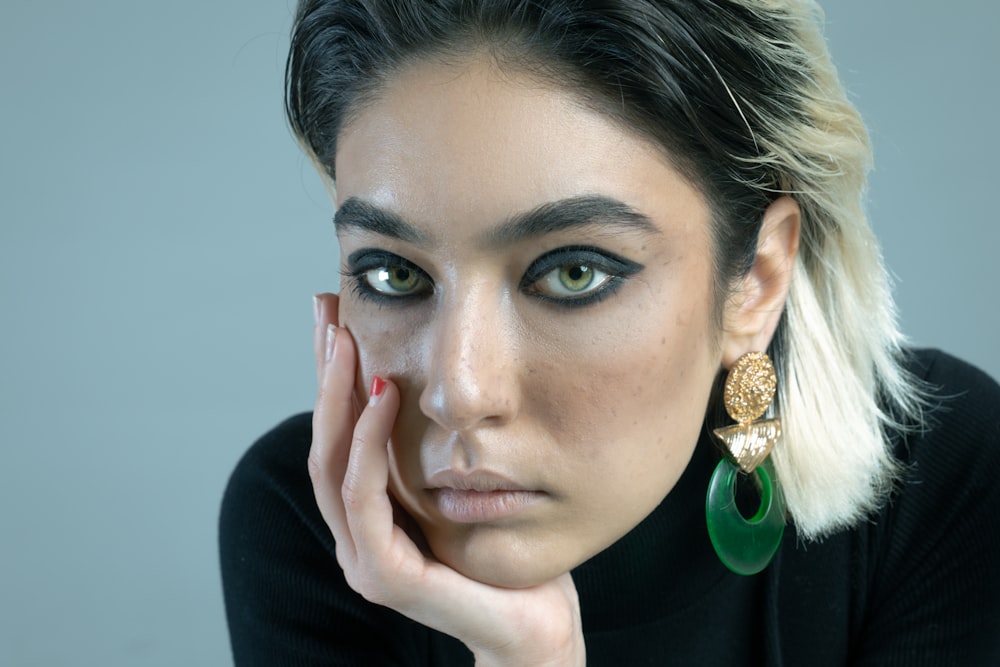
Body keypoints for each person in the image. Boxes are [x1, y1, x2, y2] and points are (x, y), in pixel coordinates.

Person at [219, 0, 1000, 664]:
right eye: (394, 274)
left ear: (758, 278)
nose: (462, 390)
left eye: (573, 272)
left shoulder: (945, 479)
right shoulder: (304, 533)